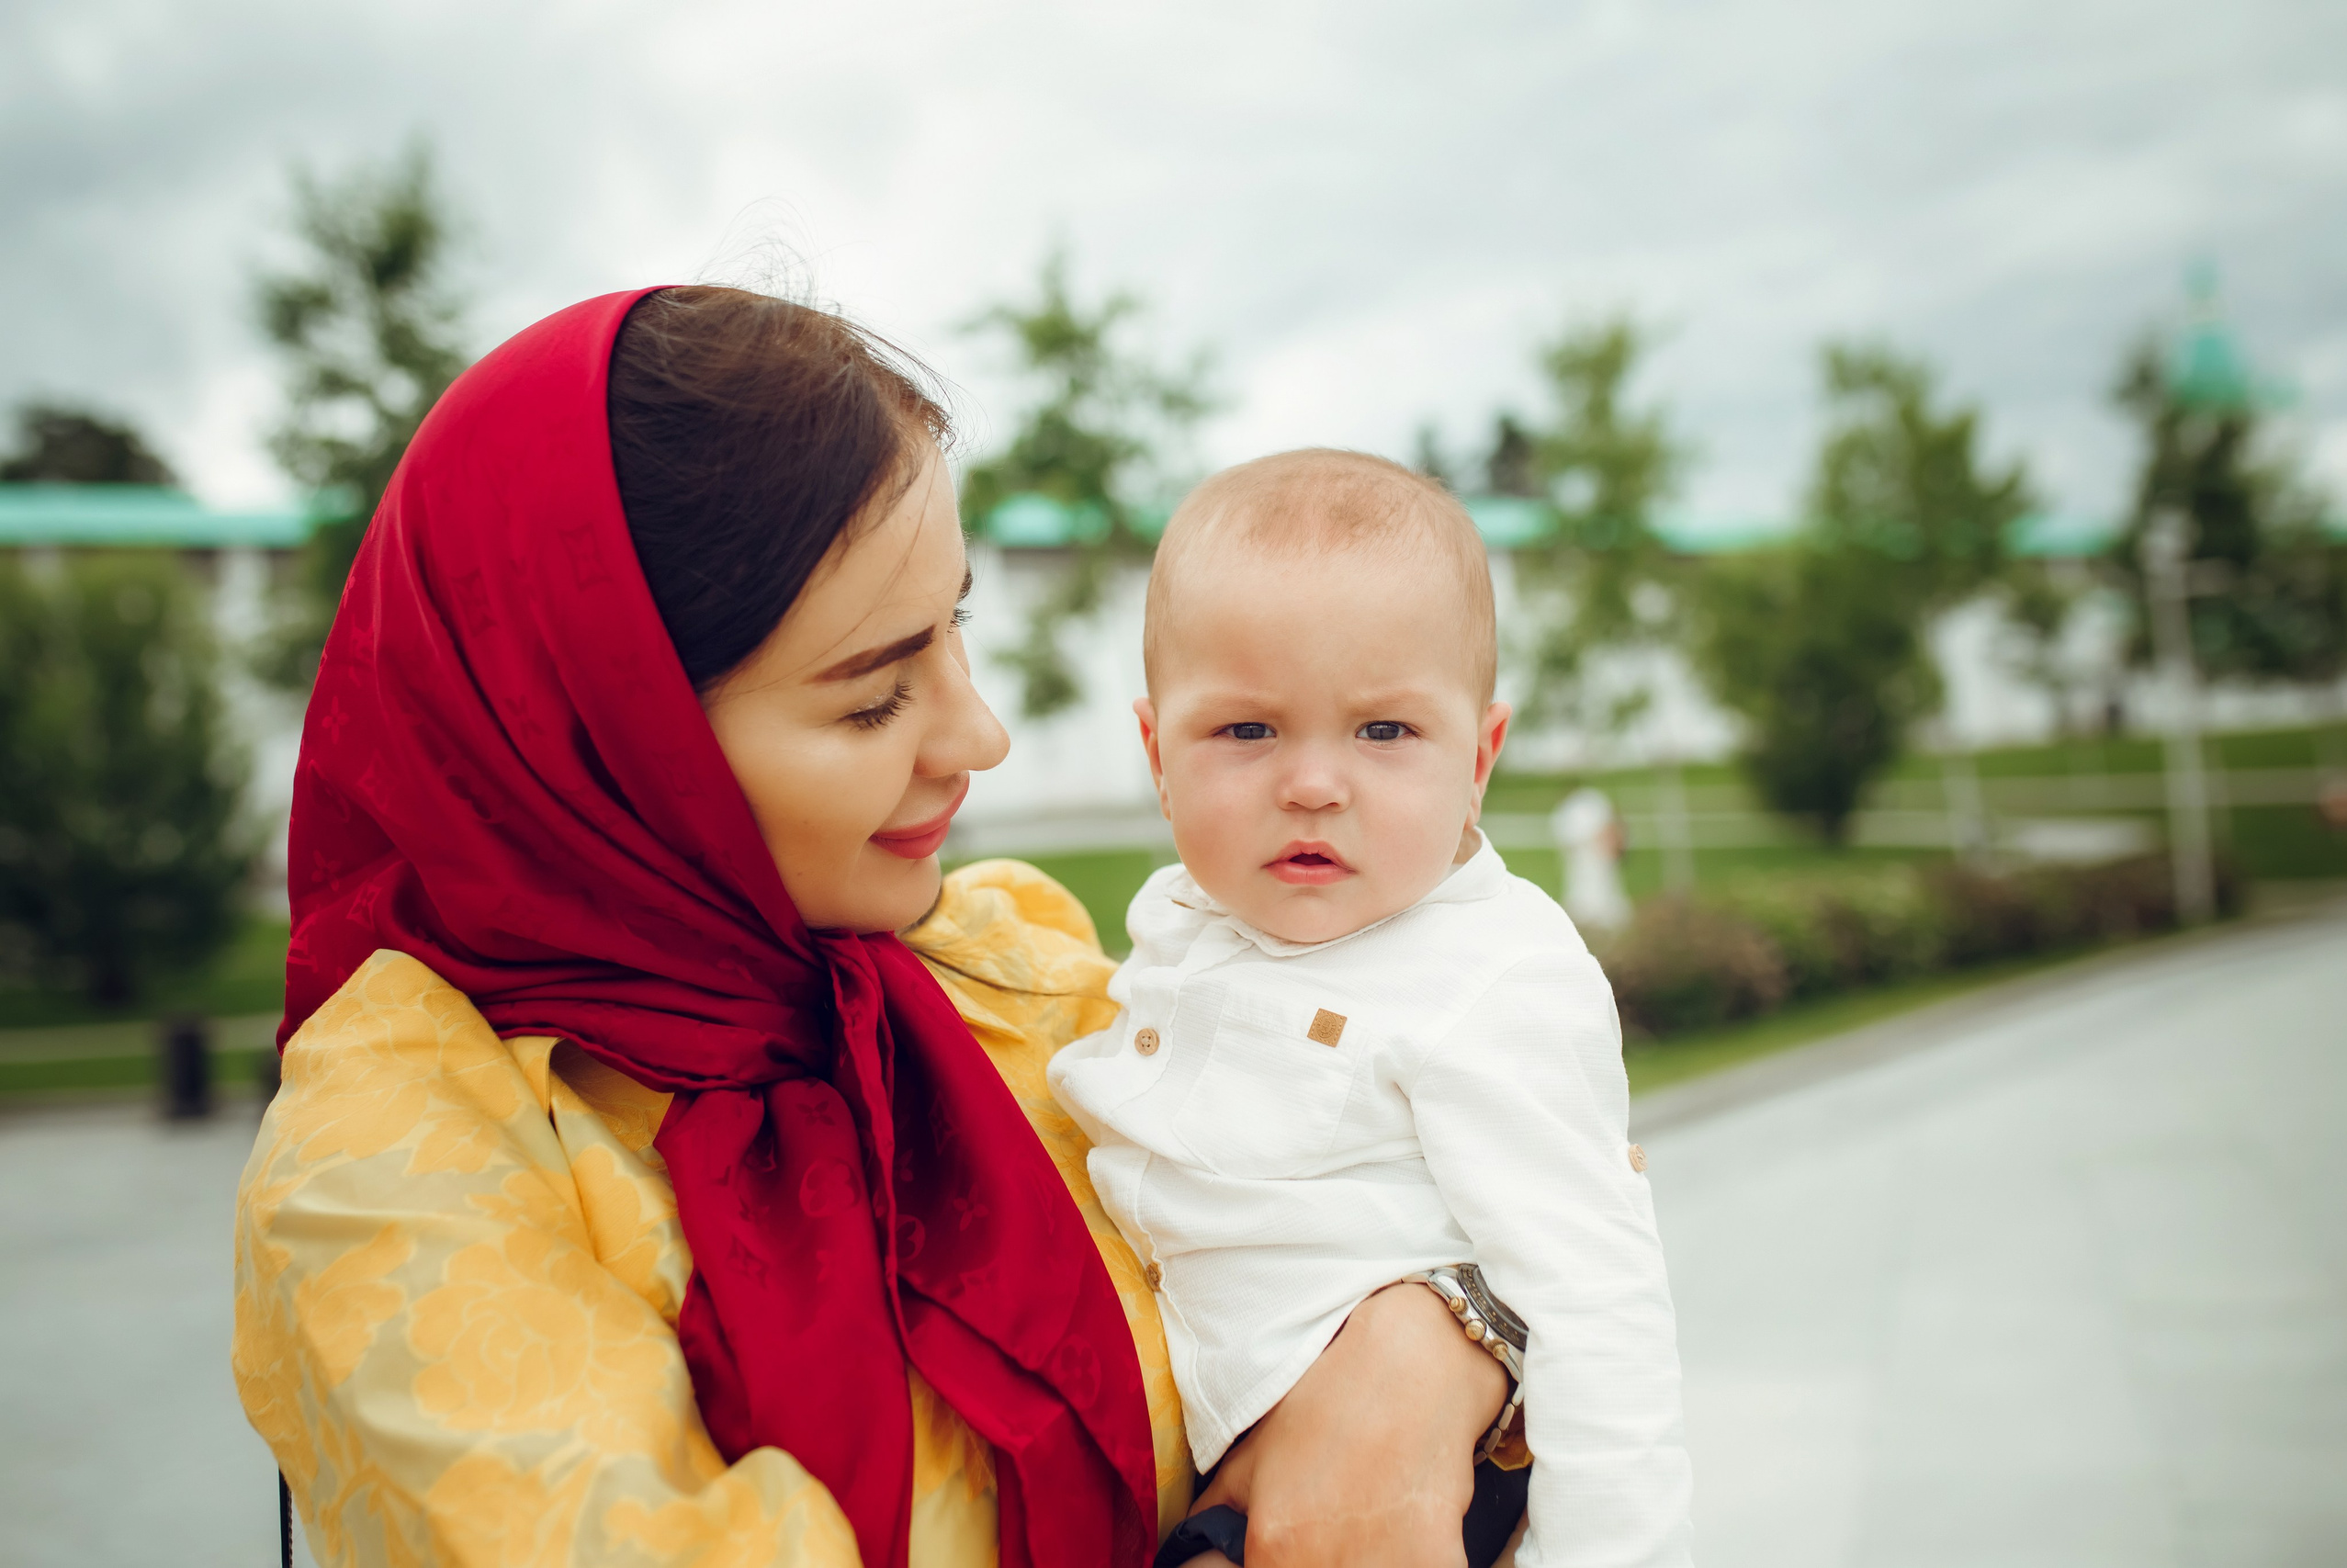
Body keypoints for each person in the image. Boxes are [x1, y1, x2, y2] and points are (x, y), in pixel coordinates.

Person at [233, 288, 1515, 1568]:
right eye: (872, 699)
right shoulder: (398, 1168)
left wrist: (1439, 1342)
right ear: (613, 735)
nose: (980, 738)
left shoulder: (999, 964)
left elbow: (1420, 1175)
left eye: (955, 625)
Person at [1048, 451, 1693, 1568]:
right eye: (1245, 732)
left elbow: (1599, 1301)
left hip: (1419, 1495)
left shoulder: (1489, 974)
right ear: (1156, 755)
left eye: (1383, 733)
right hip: (1233, 1466)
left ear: (1479, 757)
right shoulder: (1184, 918)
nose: (1312, 783)